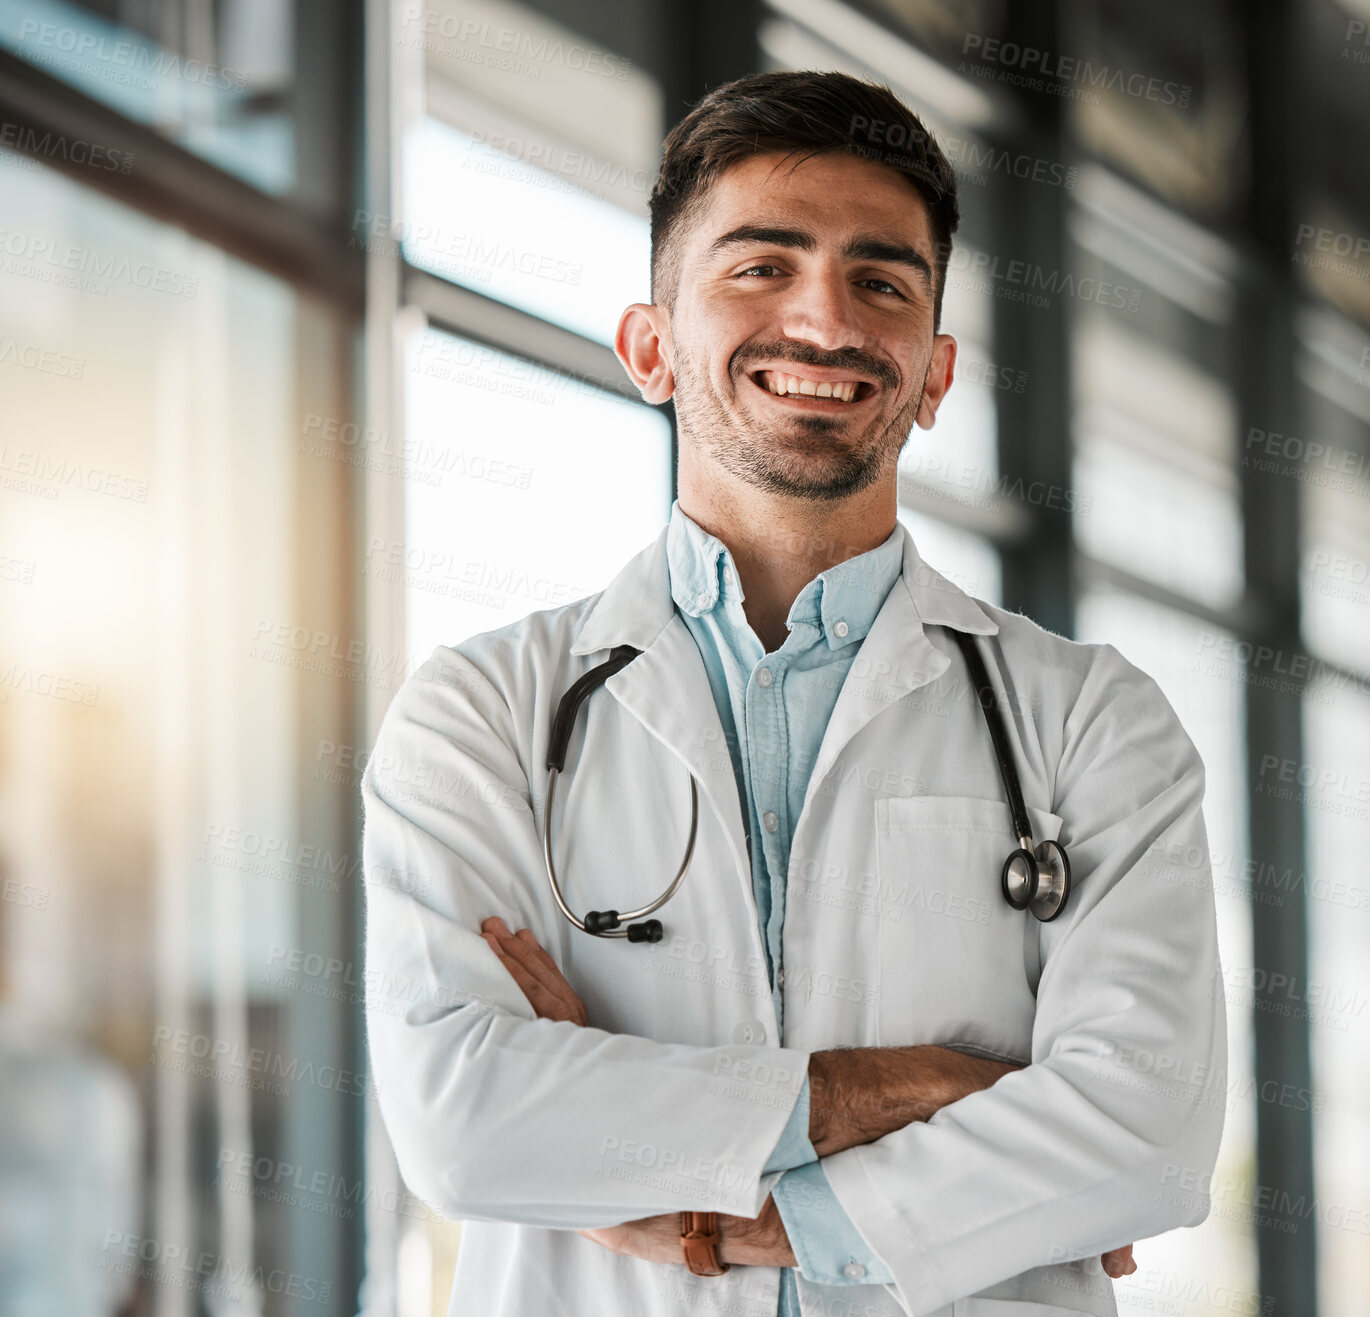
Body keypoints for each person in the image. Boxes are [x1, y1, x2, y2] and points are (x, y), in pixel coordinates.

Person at [362, 69, 1226, 1317]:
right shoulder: (484, 713)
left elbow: (1147, 1129)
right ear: (651, 349)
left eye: (881, 281)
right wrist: (941, 1088)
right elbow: (465, 1128)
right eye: (760, 267)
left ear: (933, 375)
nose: (825, 321)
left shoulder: (1091, 719)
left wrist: (737, 1203)